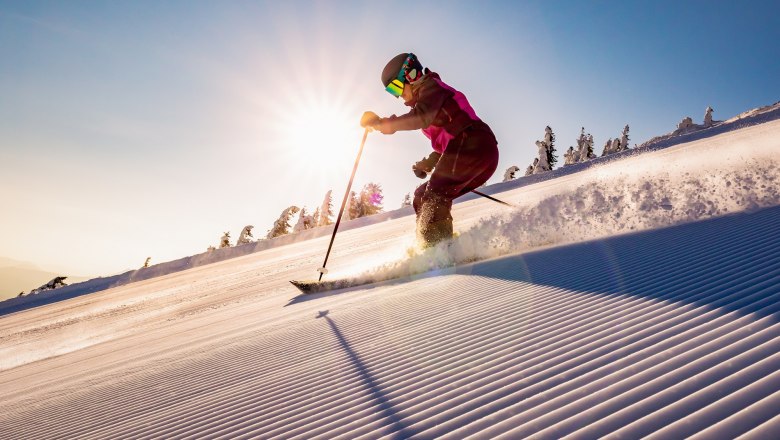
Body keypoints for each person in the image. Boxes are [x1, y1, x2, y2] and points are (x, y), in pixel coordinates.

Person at [361, 53, 499, 248]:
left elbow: (420, 118)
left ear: (410, 75)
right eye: (392, 91)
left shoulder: (431, 87)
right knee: (421, 195)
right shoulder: (430, 100)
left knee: (435, 195)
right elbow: (447, 141)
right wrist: (430, 162)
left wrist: (382, 123)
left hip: (475, 143)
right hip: (472, 150)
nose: (398, 95)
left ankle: (441, 250)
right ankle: (430, 245)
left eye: (396, 86)